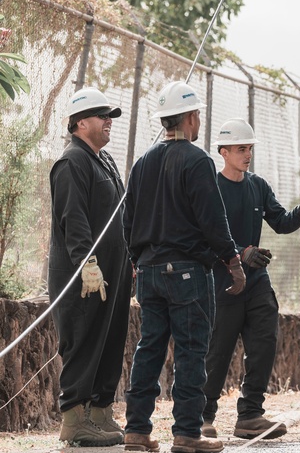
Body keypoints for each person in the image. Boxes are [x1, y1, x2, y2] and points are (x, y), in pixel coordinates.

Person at [122, 81, 247, 453]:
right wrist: (233, 261)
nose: (198, 122)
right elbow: (213, 218)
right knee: (192, 351)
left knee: (149, 349)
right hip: (187, 273)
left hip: (148, 271)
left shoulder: (143, 162)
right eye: (198, 116)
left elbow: (128, 220)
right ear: (191, 117)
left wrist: (136, 260)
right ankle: (187, 433)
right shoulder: (197, 160)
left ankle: (137, 430)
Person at [201, 119, 300, 441]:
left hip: (257, 283)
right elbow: (203, 238)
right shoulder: (210, 190)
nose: (247, 154)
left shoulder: (258, 185)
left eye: (250, 148)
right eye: (241, 149)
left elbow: (281, 223)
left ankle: (250, 415)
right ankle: (203, 417)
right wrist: (240, 253)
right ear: (223, 152)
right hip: (223, 283)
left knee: (264, 343)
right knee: (218, 350)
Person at [48, 87, 130, 446]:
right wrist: (89, 264)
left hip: (114, 271)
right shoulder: (72, 162)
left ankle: (100, 412)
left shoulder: (103, 160)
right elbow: (74, 219)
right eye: (102, 115)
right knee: (83, 341)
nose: (109, 121)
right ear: (81, 122)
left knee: (108, 340)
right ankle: (74, 421)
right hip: (84, 275)